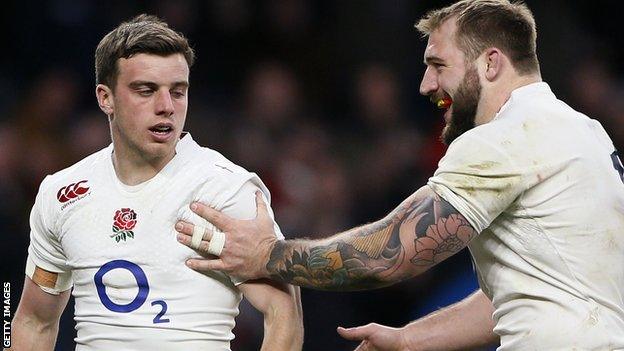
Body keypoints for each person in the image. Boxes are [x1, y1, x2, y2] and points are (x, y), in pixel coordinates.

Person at [174, 0, 624, 350]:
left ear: (491, 64)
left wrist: (268, 255)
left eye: (439, 66)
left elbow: (389, 253)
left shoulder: (507, 137)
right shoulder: (583, 131)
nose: (426, 85)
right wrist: (410, 339)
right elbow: (510, 301)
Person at [10, 15, 303, 351]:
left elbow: (283, 309)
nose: (166, 107)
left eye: (178, 92)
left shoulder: (224, 189)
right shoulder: (62, 194)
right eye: (146, 91)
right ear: (106, 98)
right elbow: (33, 321)